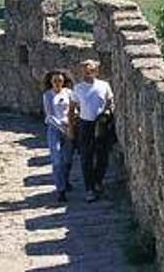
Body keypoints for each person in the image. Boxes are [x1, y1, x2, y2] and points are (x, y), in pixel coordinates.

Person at [72, 59, 114, 202]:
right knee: (86, 157)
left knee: (103, 156)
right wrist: (71, 127)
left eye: (89, 70)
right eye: (83, 71)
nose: (86, 73)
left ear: (96, 71)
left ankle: (98, 181)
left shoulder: (104, 85)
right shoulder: (78, 88)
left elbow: (110, 102)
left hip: (101, 123)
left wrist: (107, 112)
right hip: (85, 125)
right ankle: (89, 188)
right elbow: (73, 108)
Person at [42, 70, 74, 202]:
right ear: (50, 82)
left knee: (67, 159)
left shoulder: (68, 93)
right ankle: (60, 190)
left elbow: (73, 109)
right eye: (54, 81)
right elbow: (49, 116)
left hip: (69, 128)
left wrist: (71, 125)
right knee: (57, 160)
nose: (57, 83)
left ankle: (65, 181)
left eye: (60, 81)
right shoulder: (47, 95)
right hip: (54, 129)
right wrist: (62, 127)